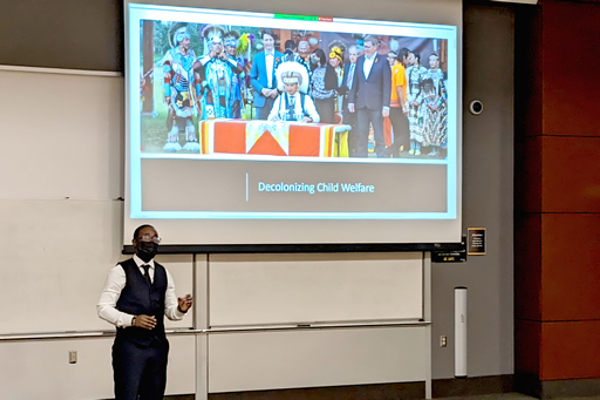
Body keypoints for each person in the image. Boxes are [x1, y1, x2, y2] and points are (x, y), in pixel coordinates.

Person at [97, 225, 193, 400]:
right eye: (146, 238)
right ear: (135, 242)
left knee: (154, 395)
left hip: (158, 347)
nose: (151, 242)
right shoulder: (120, 271)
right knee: (128, 395)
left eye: (155, 238)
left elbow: (171, 313)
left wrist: (180, 309)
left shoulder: (164, 273)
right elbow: (103, 308)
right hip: (130, 348)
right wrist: (132, 320)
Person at [348, 35, 391, 158]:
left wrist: (386, 106)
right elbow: (355, 83)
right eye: (364, 46)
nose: (365, 49)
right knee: (362, 131)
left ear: (375, 47)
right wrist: (351, 101)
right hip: (361, 102)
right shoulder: (360, 60)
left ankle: (381, 155)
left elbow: (387, 85)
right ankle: (362, 156)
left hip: (376, 103)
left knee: (378, 132)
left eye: (368, 46)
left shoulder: (383, 61)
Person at [162, 23, 201, 152]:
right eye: (186, 40)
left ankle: (191, 140)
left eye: (189, 40)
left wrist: (198, 92)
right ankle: (172, 140)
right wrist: (167, 93)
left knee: (189, 117)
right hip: (176, 92)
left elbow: (196, 75)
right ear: (179, 39)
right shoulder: (171, 54)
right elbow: (166, 75)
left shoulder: (192, 54)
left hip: (189, 92)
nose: (188, 42)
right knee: (175, 116)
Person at [196, 25, 242, 119]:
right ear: (209, 45)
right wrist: (209, 57)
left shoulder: (227, 60)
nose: (217, 46)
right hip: (210, 99)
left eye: (219, 44)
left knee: (225, 124)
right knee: (210, 124)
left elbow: (240, 69)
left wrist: (227, 59)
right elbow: (194, 67)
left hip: (226, 99)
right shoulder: (205, 60)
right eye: (214, 44)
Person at [250, 29, 283, 120]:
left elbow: (284, 78)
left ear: (274, 41)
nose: (268, 42)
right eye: (266, 40)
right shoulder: (257, 57)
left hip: (276, 98)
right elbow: (252, 78)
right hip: (261, 99)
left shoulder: (281, 57)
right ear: (262, 41)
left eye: (270, 40)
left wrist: (277, 89)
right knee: (261, 129)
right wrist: (262, 89)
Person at [421, 53, 448, 156]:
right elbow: (424, 91)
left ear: (437, 62)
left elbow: (444, 92)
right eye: (430, 60)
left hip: (439, 107)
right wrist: (429, 103)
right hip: (429, 106)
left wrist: (438, 103)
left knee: (439, 128)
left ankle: (440, 150)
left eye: (434, 60)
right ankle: (432, 150)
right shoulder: (426, 75)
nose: (432, 62)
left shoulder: (441, 75)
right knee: (430, 128)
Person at [385, 47, 411, 157]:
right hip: (397, 105)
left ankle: (395, 155)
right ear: (404, 57)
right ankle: (389, 151)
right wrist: (404, 106)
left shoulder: (394, 68)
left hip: (391, 104)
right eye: (408, 58)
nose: (409, 61)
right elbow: (399, 88)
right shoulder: (400, 69)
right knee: (405, 133)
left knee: (397, 131)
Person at [309, 48, 338, 124]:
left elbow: (332, 83)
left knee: (327, 119)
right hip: (317, 98)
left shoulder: (328, 68)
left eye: (315, 56)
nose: (314, 58)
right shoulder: (314, 68)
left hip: (327, 98)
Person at [340, 45, 360, 155]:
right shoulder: (347, 67)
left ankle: (355, 149)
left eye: (354, 54)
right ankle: (347, 149)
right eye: (350, 54)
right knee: (346, 124)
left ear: (358, 55)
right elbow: (344, 83)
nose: (352, 57)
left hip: (357, 101)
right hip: (346, 100)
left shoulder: (361, 68)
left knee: (356, 126)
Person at [406, 51, 427, 156]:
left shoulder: (424, 71)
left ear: (417, 58)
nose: (410, 59)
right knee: (411, 124)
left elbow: (425, 87)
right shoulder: (408, 71)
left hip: (420, 102)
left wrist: (418, 100)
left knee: (419, 124)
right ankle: (412, 147)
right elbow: (406, 86)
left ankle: (418, 148)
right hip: (410, 101)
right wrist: (410, 99)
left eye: (412, 57)